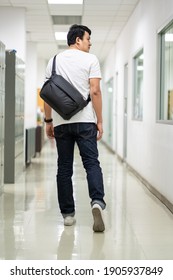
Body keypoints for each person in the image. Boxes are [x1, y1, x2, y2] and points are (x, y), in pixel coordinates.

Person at [43, 24, 106, 232]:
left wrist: (49, 121)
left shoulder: (53, 61)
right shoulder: (91, 60)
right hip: (86, 120)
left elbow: (48, 94)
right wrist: (100, 120)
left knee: (64, 168)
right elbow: (95, 91)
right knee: (91, 163)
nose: (90, 43)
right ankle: (97, 201)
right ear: (77, 40)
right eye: (88, 39)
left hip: (62, 123)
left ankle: (68, 215)